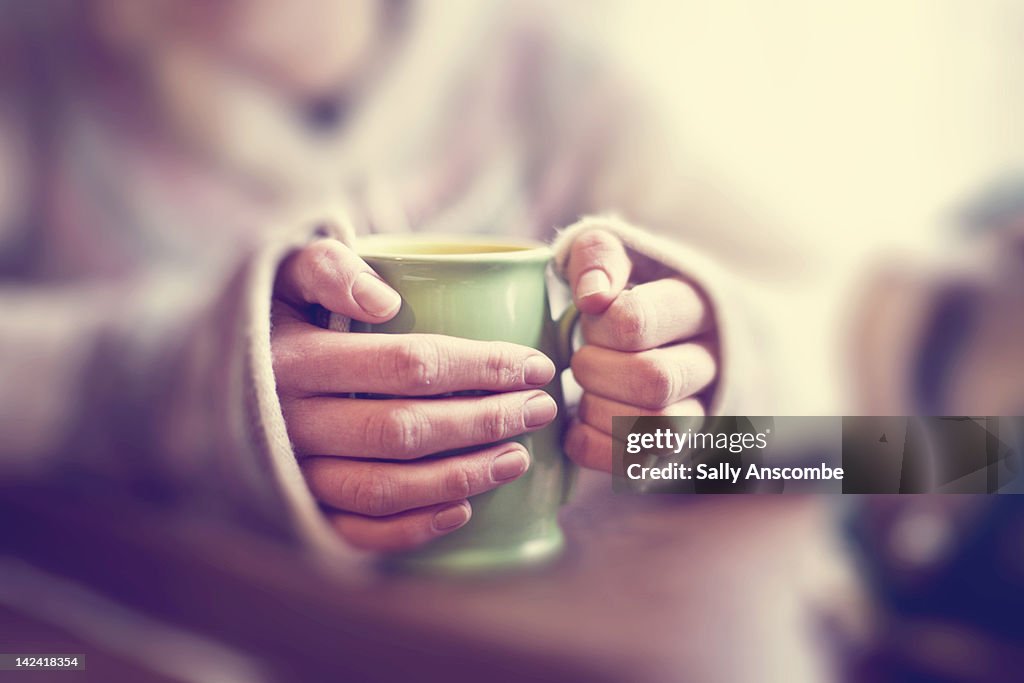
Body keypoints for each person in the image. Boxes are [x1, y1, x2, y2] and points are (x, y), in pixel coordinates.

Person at [0, 0, 793, 554]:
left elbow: (897, 442)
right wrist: (167, 383)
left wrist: (721, 383)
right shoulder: (32, 67)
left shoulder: (556, 88)